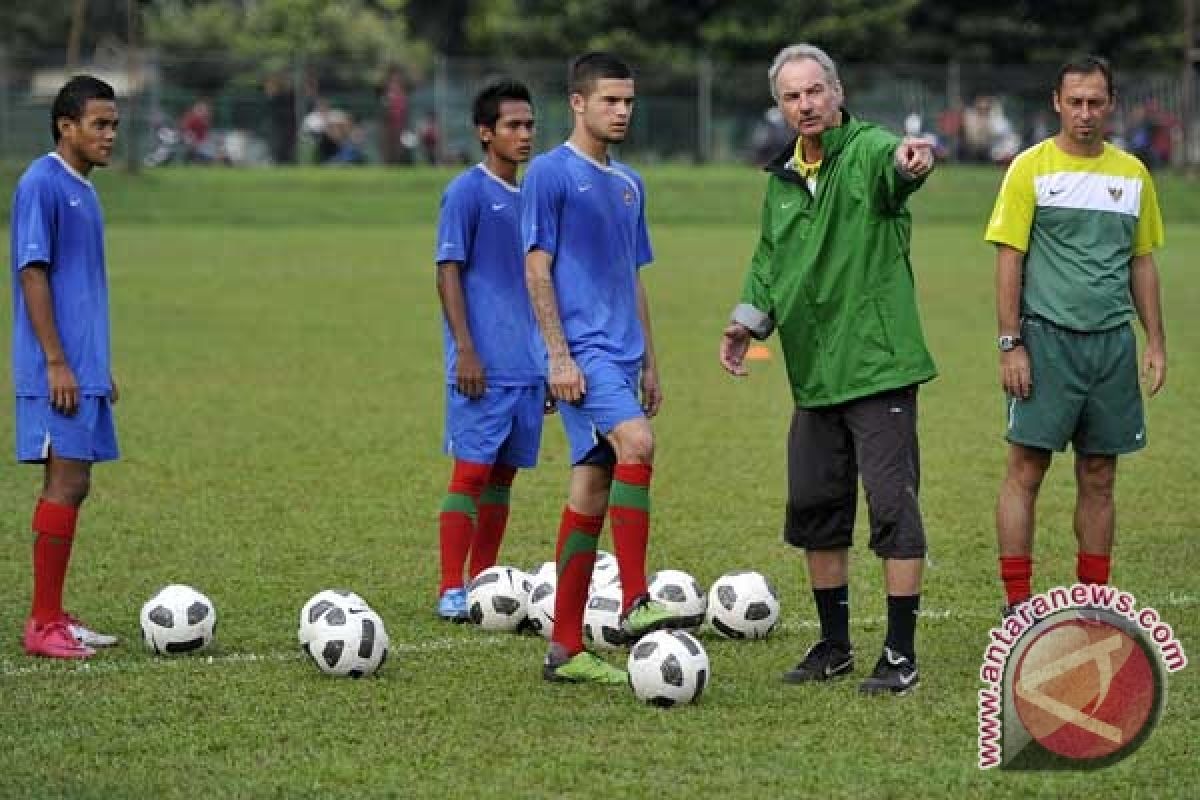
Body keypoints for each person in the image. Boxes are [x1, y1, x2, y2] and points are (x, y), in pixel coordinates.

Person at [719, 44, 937, 695]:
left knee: (893, 510)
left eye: (815, 91)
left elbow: (899, 168)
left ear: (836, 92)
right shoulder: (782, 181)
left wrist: (911, 163)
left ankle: (900, 653)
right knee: (817, 508)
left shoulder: (868, 151)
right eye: (792, 96)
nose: (806, 104)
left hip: (878, 367)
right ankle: (835, 646)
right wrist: (746, 323)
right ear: (781, 105)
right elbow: (769, 261)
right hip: (813, 375)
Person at [985, 56, 1166, 614]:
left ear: (1110, 105)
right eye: (1075, 102)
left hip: (1112, 345)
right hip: (1046, 341)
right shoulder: (1030, 169)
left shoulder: (1133, 174)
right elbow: (1009, 259)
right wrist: (1010, 342)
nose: (1085, 113)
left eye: (1095, 102)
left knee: (1099, 474)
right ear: (1056, 103)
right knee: (1027, 470)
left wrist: (1155, 341)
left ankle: (1093, 602)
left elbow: (1142, 263)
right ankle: (1018, 604)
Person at [523, 52, 683, 685]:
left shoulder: (630, 183)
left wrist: (651, 362)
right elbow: (537, 268)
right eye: (610, 100)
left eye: (629, 101)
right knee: (638, 443)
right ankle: (638, 599)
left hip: (622, 357)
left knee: (591, 486)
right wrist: (557, 357)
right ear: (578, 103)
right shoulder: (549, 174)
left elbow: (632, 277)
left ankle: (565, 648)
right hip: (582, 357)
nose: (622, 111)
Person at [10, 75, 123, 659]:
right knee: (66, 481)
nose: (109, 135)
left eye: (113, 125)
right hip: (54, 370)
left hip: (81, 369)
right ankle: (42, 624)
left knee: (73, 485)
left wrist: (97, 367)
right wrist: (56, 360)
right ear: (66, 125)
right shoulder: (42, 184)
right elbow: (33, 273)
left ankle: (53, 614)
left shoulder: (85, 189)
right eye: (99, 124)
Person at [433, 80, 542, 621]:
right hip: (483, 366)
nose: (524, 135)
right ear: (485, 133)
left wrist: (547, 361)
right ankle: (451, 586)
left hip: (528, 367)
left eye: (529, 125)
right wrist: (466, 350)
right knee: (470, 474)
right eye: (512, 126)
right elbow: (447, 271)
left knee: (503, 478)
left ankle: (483, 581)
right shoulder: (466, 192)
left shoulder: (535, 196)